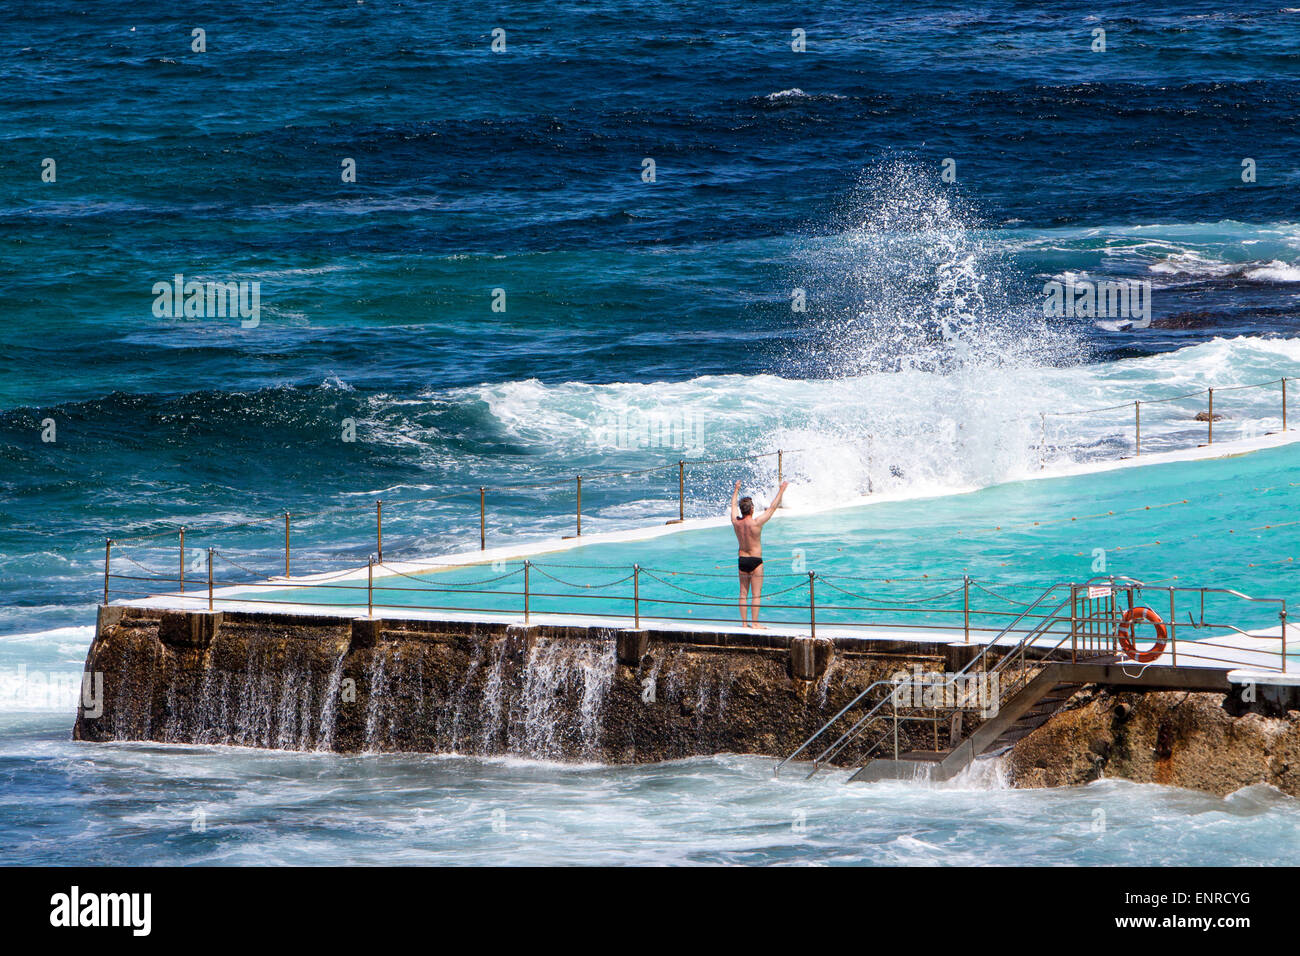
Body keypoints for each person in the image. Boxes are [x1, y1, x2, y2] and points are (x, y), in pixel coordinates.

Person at [729, 479, 789, 628]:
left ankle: (744, 624)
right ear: (751, 510)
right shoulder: (756, 523)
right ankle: (755, 623)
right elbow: (772, 508)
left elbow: (732, 507)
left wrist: (736, 489)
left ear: (742, 510)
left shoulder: (736, 523)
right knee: (756, 594)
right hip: (756, 560)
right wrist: (781, 490)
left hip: (742, 560)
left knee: (743, 594)